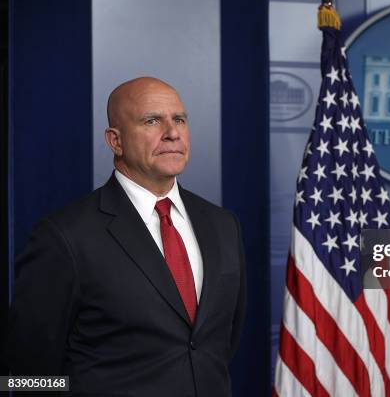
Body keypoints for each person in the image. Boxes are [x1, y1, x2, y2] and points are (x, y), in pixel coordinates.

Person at [7, 77, 247, 397]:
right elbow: (27, 375)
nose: (172, 132)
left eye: (179, 120)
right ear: (115, 141)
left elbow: (216, 345)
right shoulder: (65, 236)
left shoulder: (223, 225)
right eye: (152, 121)